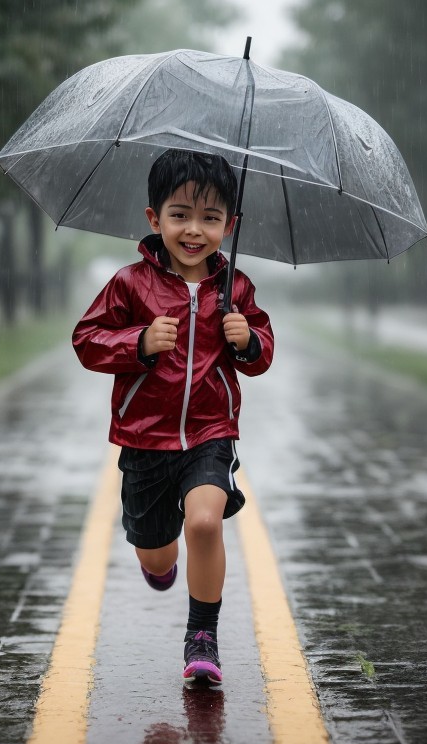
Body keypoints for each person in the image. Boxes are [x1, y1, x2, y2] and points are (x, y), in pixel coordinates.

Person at [72, 149, 274, 685]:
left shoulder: (236, 290)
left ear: (229, 225)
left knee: (205, 522)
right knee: (158, 554)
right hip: (145, 438)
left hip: (212, 432)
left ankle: (201, 635)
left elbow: (262, 354)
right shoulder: (130, 284)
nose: (194, 230)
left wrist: (248, 340)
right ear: (153, 218)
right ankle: (158, 563)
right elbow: (86, 340)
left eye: (211, 219)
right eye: (180, 214)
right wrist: (137, 342)